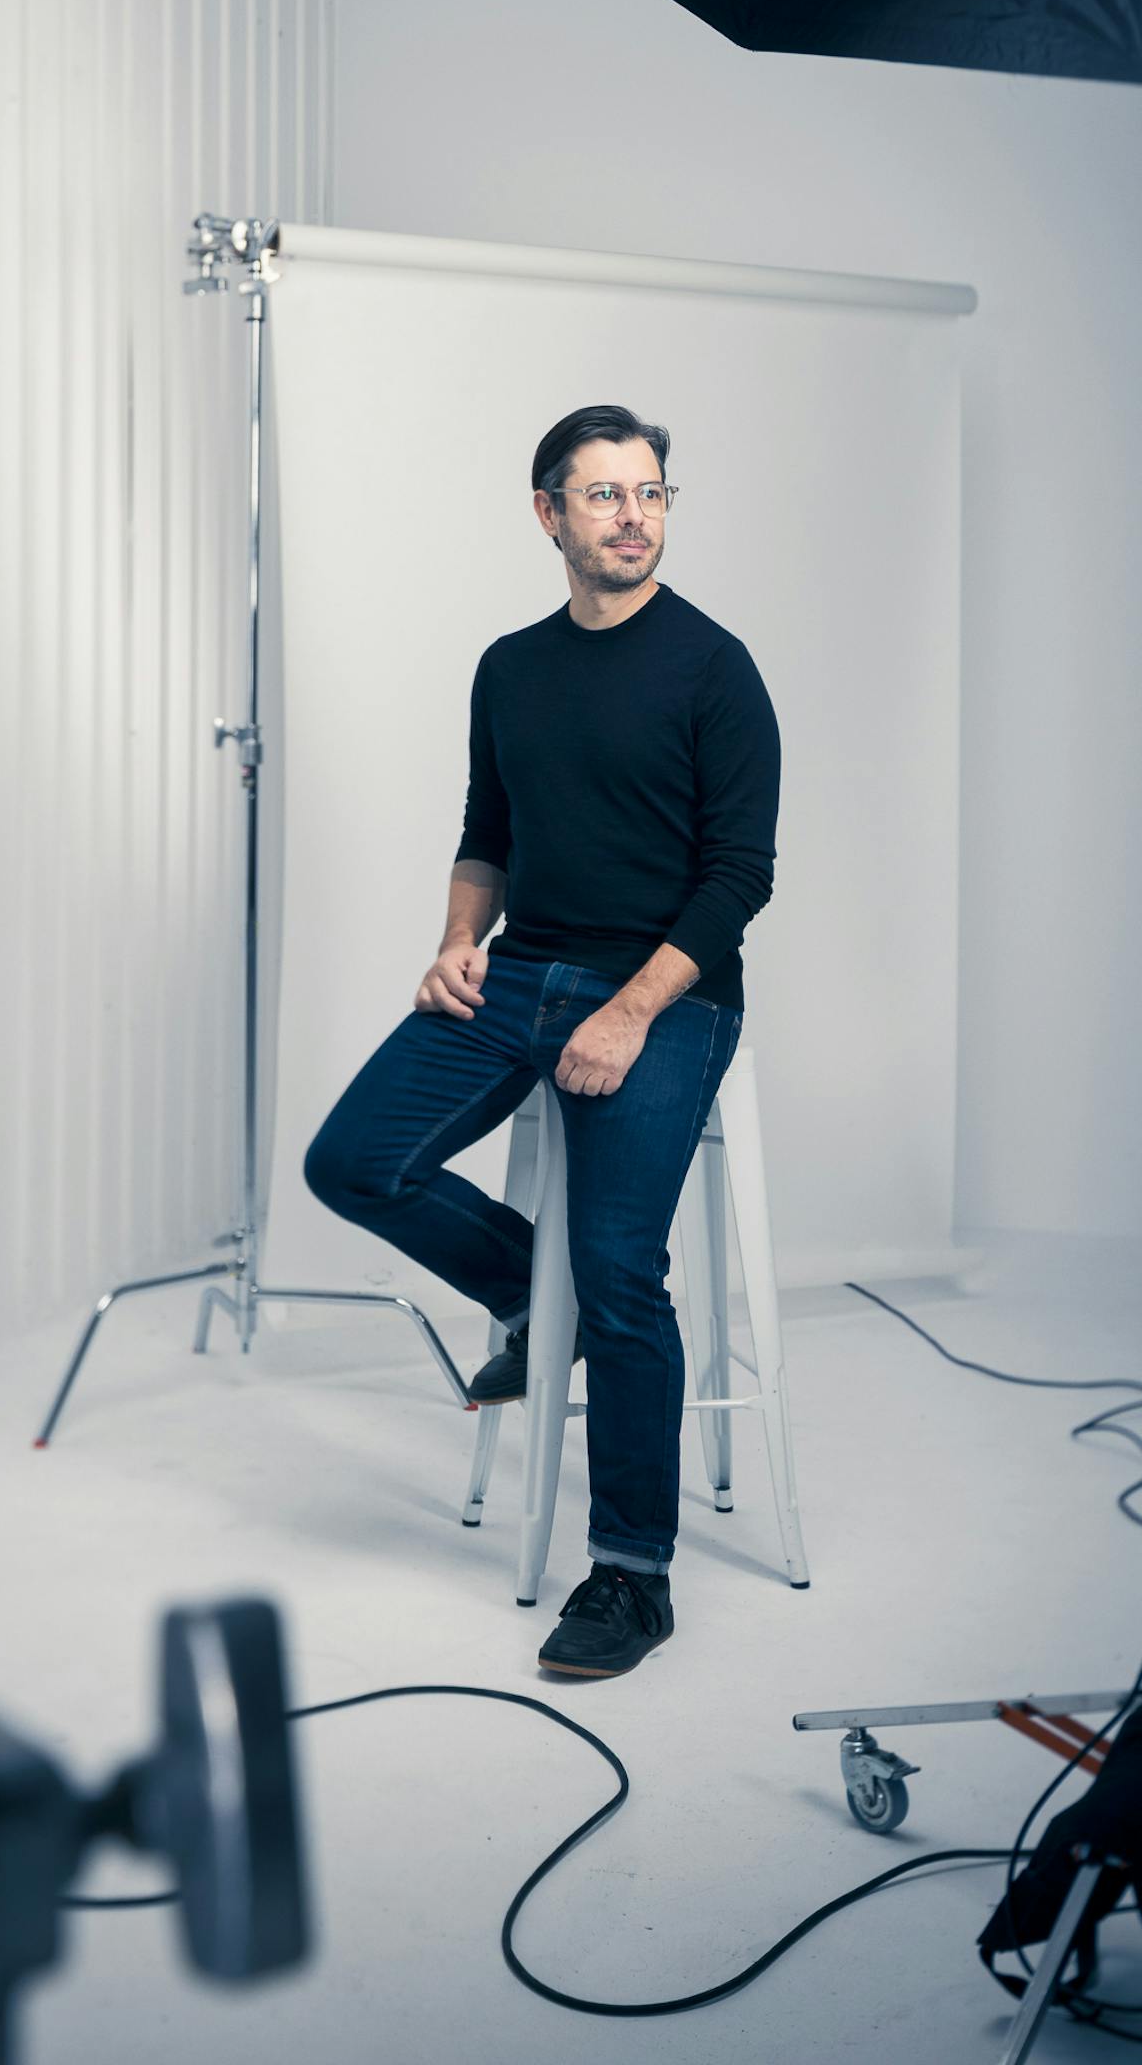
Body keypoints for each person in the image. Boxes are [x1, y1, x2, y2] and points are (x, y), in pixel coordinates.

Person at [303, 402, 780, 1680]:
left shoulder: (713, 667)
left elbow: (741, 875)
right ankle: (526, 1292)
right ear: (548, 514)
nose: (634, 515)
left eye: (652, 493)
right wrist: (458, 939)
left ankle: (631, 1573)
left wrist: (631, 1012)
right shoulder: (510, 666)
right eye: (606, 494)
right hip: (520, 971)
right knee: (354, 1160)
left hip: (669, 988)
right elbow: (486, 828)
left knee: (620, 1265)